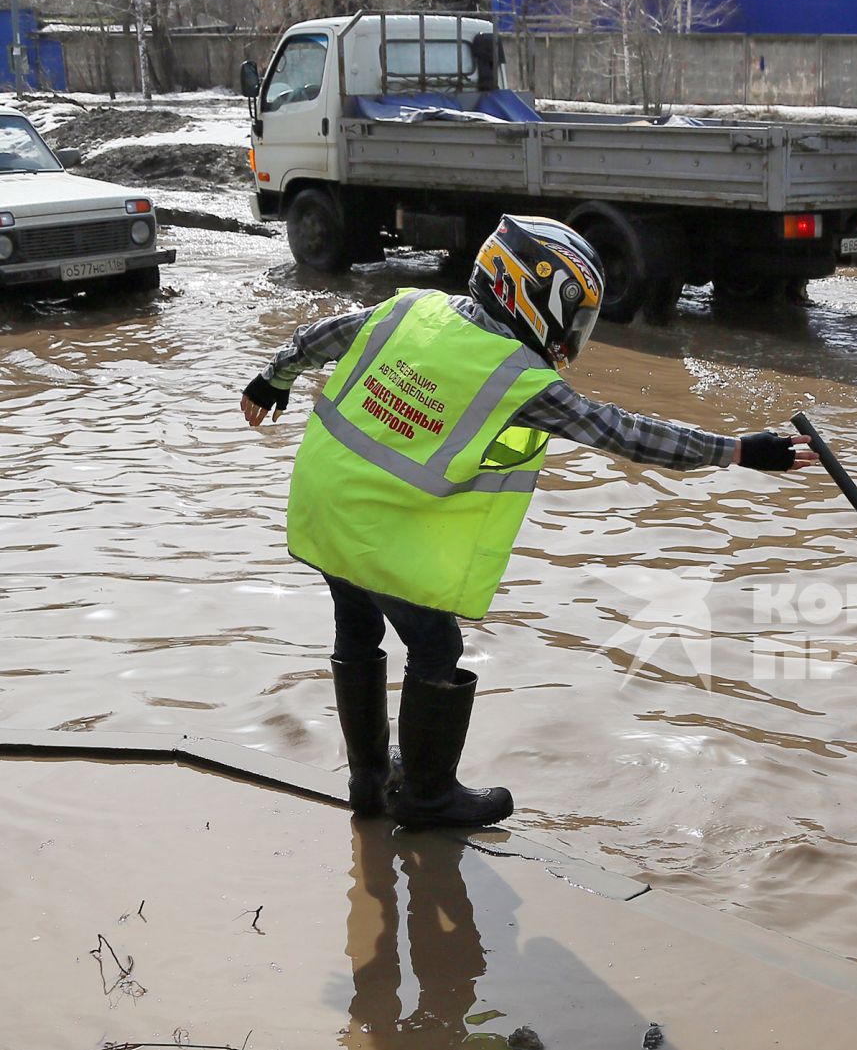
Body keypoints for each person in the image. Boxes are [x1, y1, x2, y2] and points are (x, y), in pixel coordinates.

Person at [239, 214, 817, 831]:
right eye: (574, 317)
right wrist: (736, 451)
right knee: (436, 647)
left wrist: (273, 377)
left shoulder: (412, 310)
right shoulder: (519, 377)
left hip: (324, 506)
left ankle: (368, 781)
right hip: (379, 529)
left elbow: (324, 334)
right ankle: (429, 798)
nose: (574, 334)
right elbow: (626, 433)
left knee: (357, 634)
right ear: (534, 298)